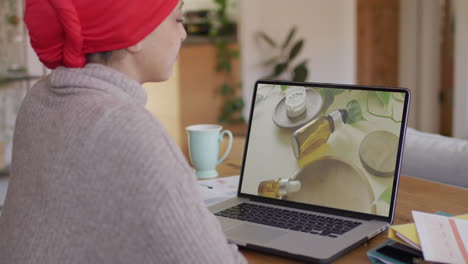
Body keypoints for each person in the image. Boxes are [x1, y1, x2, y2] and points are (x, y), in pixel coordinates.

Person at [0, 0, 246, 263]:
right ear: (135, 36)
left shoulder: (39, 99)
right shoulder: (128, 129)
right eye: (177, 19)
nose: (183, 33)